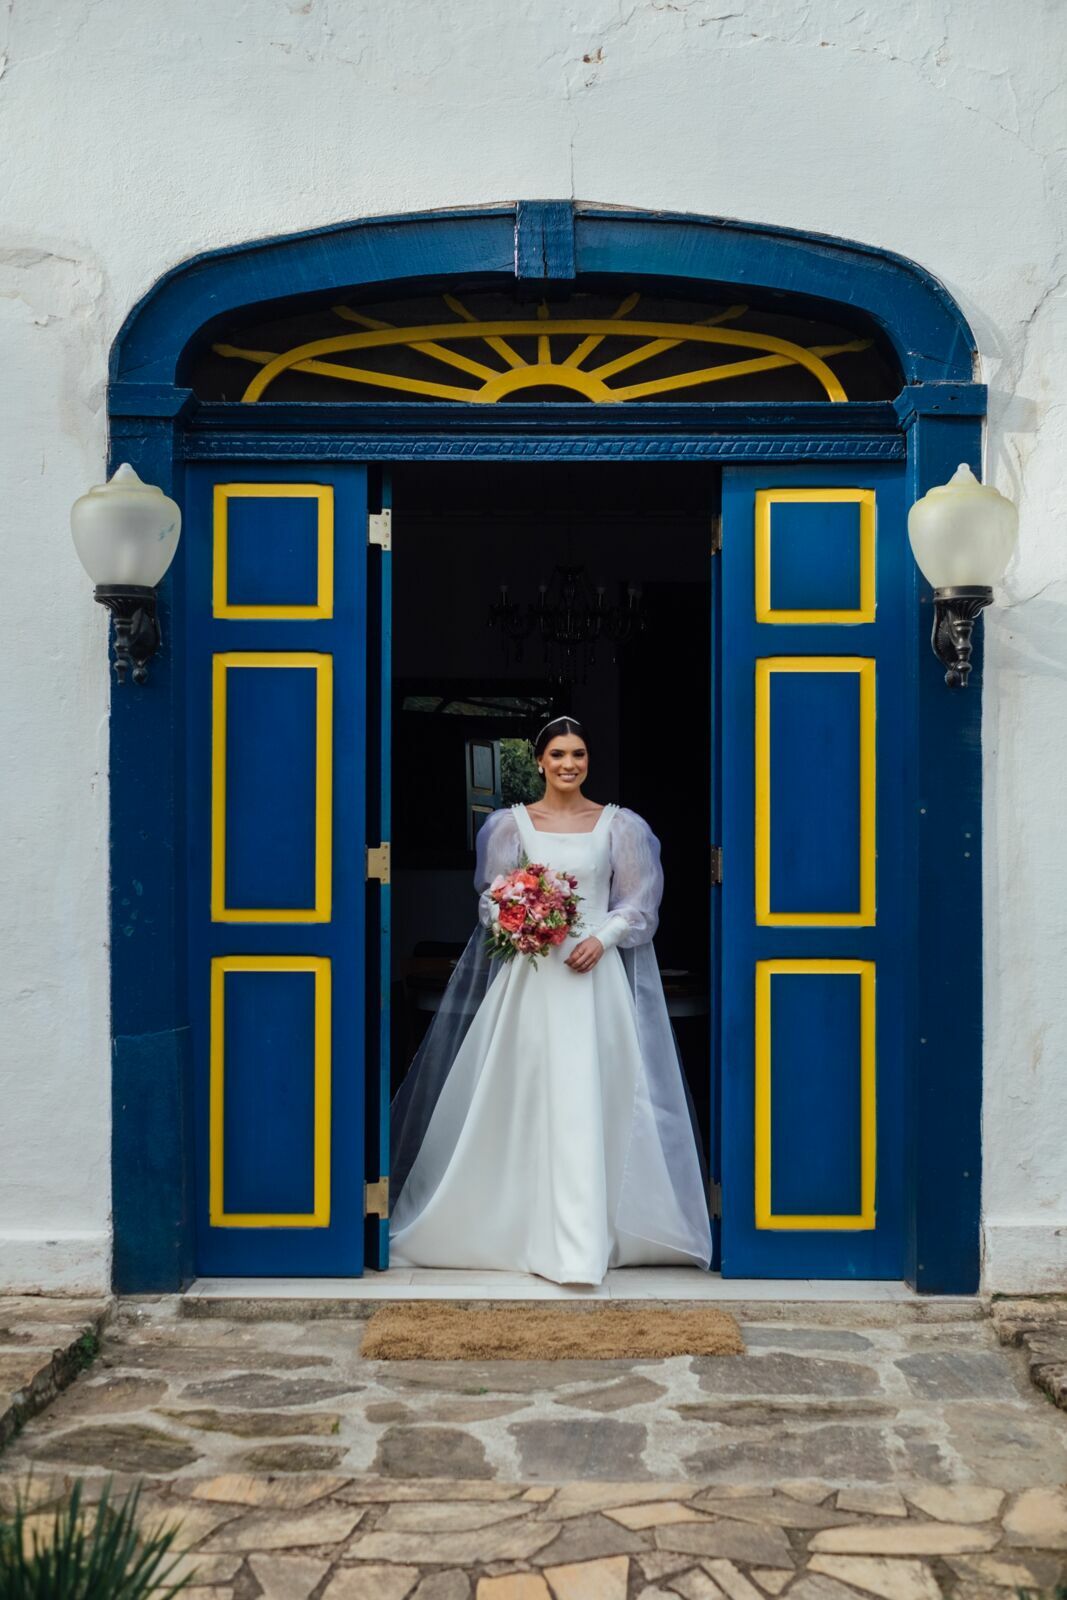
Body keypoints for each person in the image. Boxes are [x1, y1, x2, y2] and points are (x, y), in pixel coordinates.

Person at [389, 714, 711, 1284]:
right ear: (539, 761)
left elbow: (639, 904)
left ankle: (594, 1231)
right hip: (532, 979)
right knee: (525, 1090)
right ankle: (521, 1224)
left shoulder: (620, 826)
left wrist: (602, 939)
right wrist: (517, 922)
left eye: (578, 754)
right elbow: (490, 899)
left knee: (597, 1092)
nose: (569, 764)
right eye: (558, 754)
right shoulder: (509, 827)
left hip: (594, 979)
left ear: (588, 761)